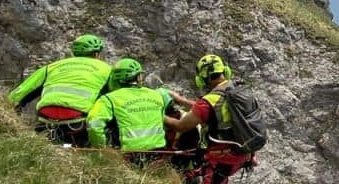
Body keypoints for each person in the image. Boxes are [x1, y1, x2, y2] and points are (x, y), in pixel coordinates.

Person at [164, 55, 256, 184]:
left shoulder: (209, 101)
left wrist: (159, 116)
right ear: (225, 71)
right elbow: (212, 111)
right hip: (244, 153)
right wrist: (182, 101)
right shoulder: (237, 91)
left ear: (201, 80)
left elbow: (181, 126)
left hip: (221, 158)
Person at [8, 34, 112, 146]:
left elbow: (17, 95)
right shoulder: (107, 69)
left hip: (46, 120)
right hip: (79, 123)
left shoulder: (52, 67)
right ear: (97, 53)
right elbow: (118, 99)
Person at [87, 58, 170, 165]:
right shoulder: (157, 95)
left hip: (127, 156)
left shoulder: (108, 99)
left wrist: (101, 149)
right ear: (138, 76)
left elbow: (93, 124)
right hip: (157, 154)